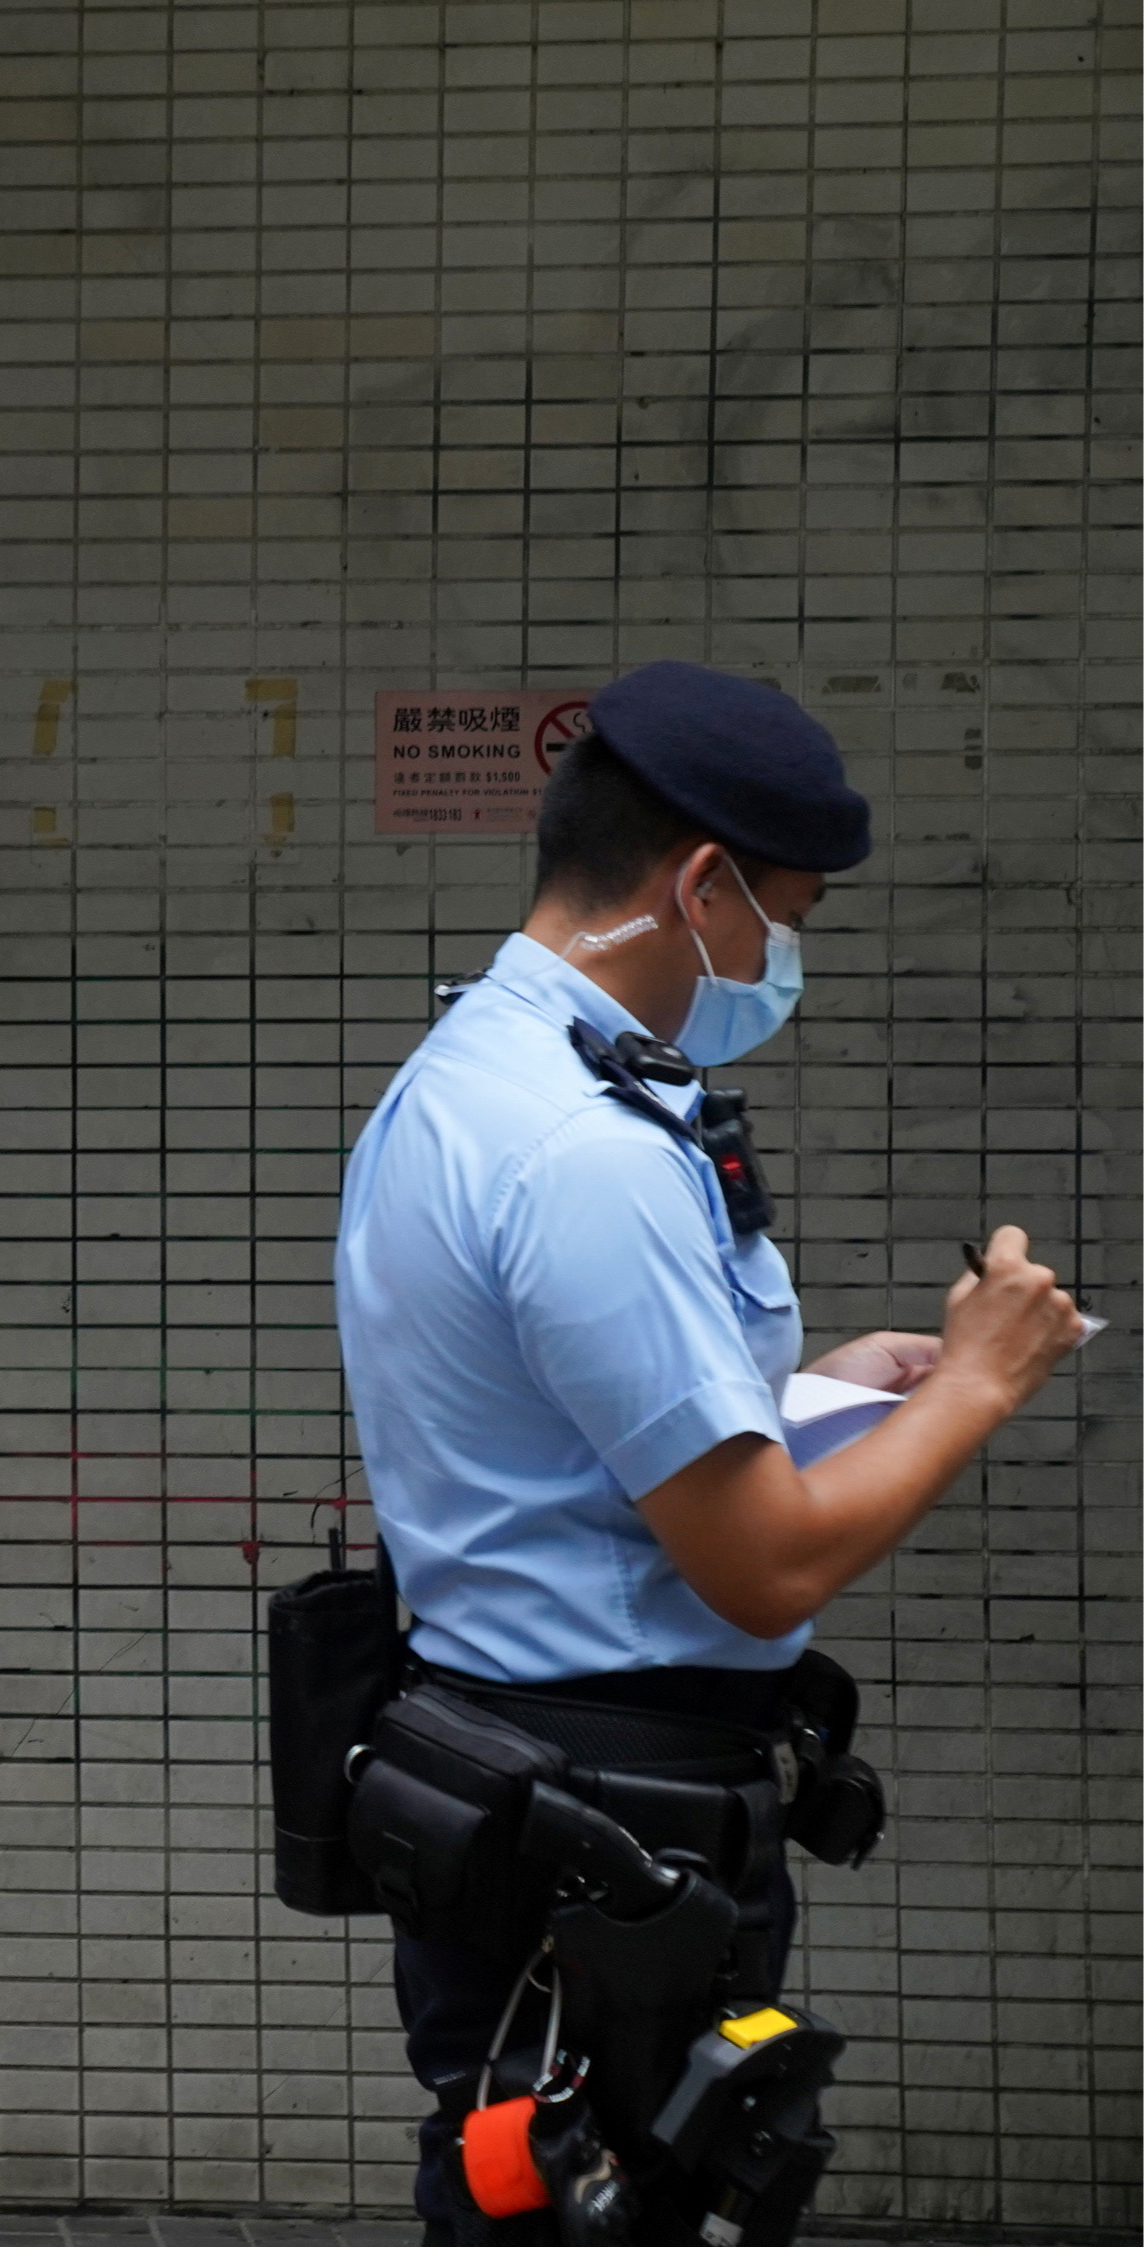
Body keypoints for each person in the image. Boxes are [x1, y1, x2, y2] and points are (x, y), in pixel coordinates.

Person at [335, 661, 1088, 2245]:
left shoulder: (468, 1081)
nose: (776, 956)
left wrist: (809, 1392)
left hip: (522, 1775)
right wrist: (982, 1384)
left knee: (546, 2190)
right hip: (614, 1824)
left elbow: (558, 1449)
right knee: (613, 2207)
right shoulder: (586, 1154)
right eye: (778, 914)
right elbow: (764, 1566)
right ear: (697, 885)